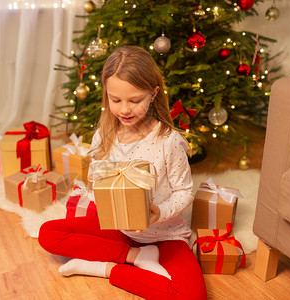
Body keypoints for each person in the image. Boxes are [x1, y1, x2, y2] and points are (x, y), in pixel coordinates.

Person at [38, 45, 207, 300]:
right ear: (106, 94)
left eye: (135, 100)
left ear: (153, 94)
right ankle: (135, 257)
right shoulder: (103, 136)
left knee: (191, 297)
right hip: (119, 231)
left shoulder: (168, 141)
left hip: (165, 235)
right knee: (48, 233)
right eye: (115, 100)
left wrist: (157, 213)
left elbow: (184, 192)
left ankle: (104, 268)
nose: (124, 110)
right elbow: (96, 183)